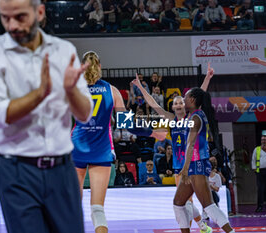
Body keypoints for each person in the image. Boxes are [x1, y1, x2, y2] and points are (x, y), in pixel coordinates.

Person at [0, 0, 93, 232]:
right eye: (5, 17)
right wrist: (39, 95)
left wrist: (70, 91)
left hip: (62, 169)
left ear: (39, 13)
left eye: (20, 17)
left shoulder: (64, 50)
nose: (11, 25)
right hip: (16, 171)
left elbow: (85, 114)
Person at [72, 51, 166, 233]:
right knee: (97, 209)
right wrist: (153, 133)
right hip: (101, 150)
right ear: (99, 67)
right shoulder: (112, 90)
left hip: (77, 148)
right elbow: (127, 125)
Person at [132, 63, 216, 233]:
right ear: (172, 107)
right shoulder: (171, 119)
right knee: (185, 201)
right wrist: (140, 87)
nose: (178, 105)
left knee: (187, 201)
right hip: (179, 165)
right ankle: (201, 226)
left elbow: (199, 93)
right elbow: (153, 103)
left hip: (193, 163)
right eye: (176, 103)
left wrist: (207, 78)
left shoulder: (192, 117)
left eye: (181, 102)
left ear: (185, 105)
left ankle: (200, 225)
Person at [173, 87, 234, 233]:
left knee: (209, 205)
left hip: (196, 164)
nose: (183, 99)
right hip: (196, 164)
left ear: (192, 100)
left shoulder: (195, 118)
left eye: (185, 97)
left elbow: (190, 144)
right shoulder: (195, 114)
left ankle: (231, 231)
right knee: (178, 203)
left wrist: (186, 169)